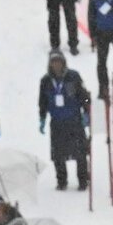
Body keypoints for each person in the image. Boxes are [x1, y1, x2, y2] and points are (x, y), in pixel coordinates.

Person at [37, 51, 91, 192]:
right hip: (57, 122)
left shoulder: (73, 76)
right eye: (53, 62)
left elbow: (84, 95)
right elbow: (42, 101)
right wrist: (42, 117)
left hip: (74, 120)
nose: (56, 65)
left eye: (58, 61)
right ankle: (61, 181)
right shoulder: (46, 81)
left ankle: (83, 180)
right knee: (58, 154)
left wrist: (87, 112)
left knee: (80, 152)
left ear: (63, 62)